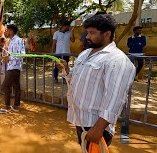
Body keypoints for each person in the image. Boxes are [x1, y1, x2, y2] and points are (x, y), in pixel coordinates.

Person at [56, 14, 135, 150]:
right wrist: (67, 70)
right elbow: (75, 78)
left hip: (97, 123)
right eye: (88, 32)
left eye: (92, 33)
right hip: (81, 119)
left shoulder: (117, 60)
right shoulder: (85, 54)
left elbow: (115, 98)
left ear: (107, 34)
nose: (87, 37)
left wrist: (99, 128)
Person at [0, 24, 25, 113]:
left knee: (5, 86)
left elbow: (22, 54)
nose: (5, 32)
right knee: (16, 86)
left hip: (14, 67)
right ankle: (16, 106)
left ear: (11, 31)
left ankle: (7, 107)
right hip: (11, 66)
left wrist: (9, 58)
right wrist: (7, 57)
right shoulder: (11, 41)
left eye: (6, 30)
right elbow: (9, 54)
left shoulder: (18, 40)